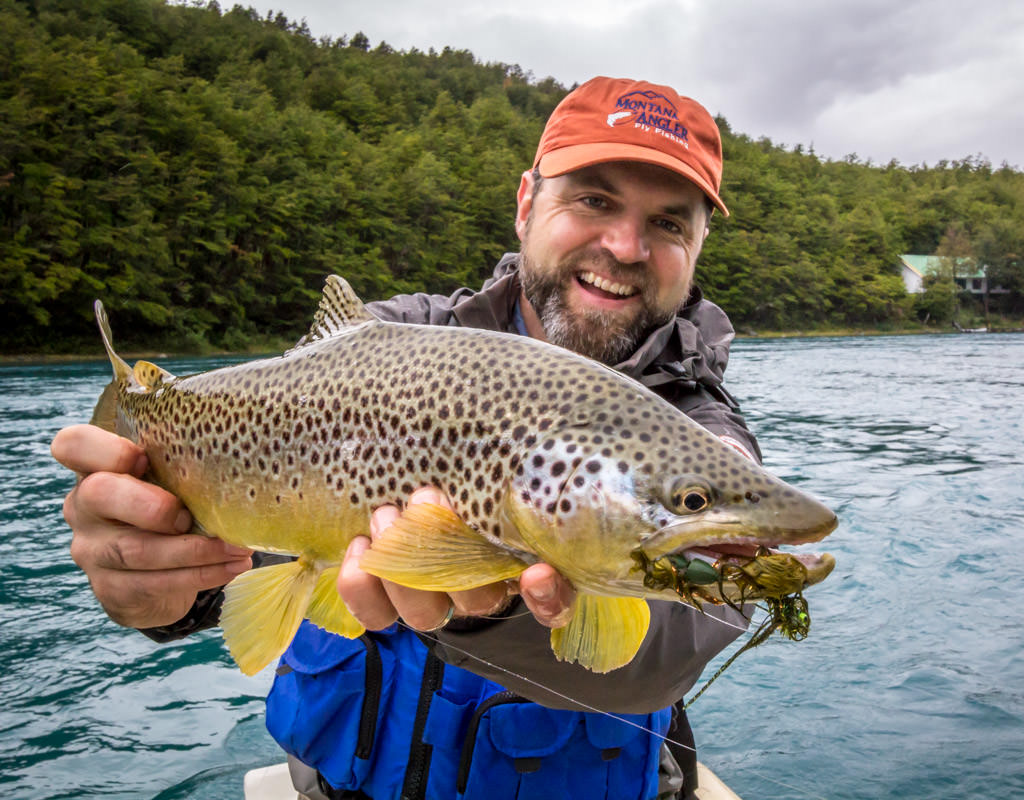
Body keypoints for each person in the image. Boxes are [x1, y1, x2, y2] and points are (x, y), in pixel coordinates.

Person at [51, 76, 762, 800]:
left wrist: (500, 600)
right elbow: (265, 521)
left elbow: (673, 646)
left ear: (700, 246)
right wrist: (160, 586)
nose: (624, 245)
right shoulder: (395, 344)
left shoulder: (701, 431)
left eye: (670, 223)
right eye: (594, 200)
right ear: (526, 203)